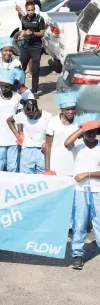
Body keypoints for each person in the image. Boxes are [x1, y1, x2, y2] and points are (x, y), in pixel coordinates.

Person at [64, 113, 100, 270]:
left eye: (94, 130)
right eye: (88, 131)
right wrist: (82, 127)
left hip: (97, 190)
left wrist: (87, 174)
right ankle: (77, 255)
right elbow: (67, 142)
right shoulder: (77, 147)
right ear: (82, 132)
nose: (91, 134)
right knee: (79, 223)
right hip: (79, 191)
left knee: (99, 222)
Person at [0, 68, 22, 172]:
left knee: (13, 167)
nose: (3, 88)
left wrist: (20, 134)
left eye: (6, 86)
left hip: (13, 138)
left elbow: (19, 118)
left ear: (11, 86)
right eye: (1, 85)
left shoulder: (17, 97)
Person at [7, 99, 52, 173]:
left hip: (42, 150)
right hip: (27, 150)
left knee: (43, 173)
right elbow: (9, 121)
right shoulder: (22, 115)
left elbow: (53, 132)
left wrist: (47, 142)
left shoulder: (48, 116)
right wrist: (18, 135)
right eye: (27, 115)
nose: (29, 117)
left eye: (31, 115)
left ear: (36, 109)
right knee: (26, 176)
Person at [45, 92, 78, 176]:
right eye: (67, 109)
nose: (71, 112)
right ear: (61, 109)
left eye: (73, 109)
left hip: (75, 163)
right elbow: (48, 145)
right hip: (56, 164)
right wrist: (47, 169)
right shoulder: (52, 121)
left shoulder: (79, 121)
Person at [18, 1, 45, 99]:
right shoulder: (23, 18)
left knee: (35, 69)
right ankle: (21, 88)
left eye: (32, 10)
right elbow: (23, 30)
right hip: (26, 47)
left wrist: (32, 33)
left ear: (34, 9)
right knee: (20, 69)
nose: (30, 12)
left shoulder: (39, 19)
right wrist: (21, 36)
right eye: (29, 10)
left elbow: (42, 33)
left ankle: (34, 91)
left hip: (36, 47)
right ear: (26, 10)